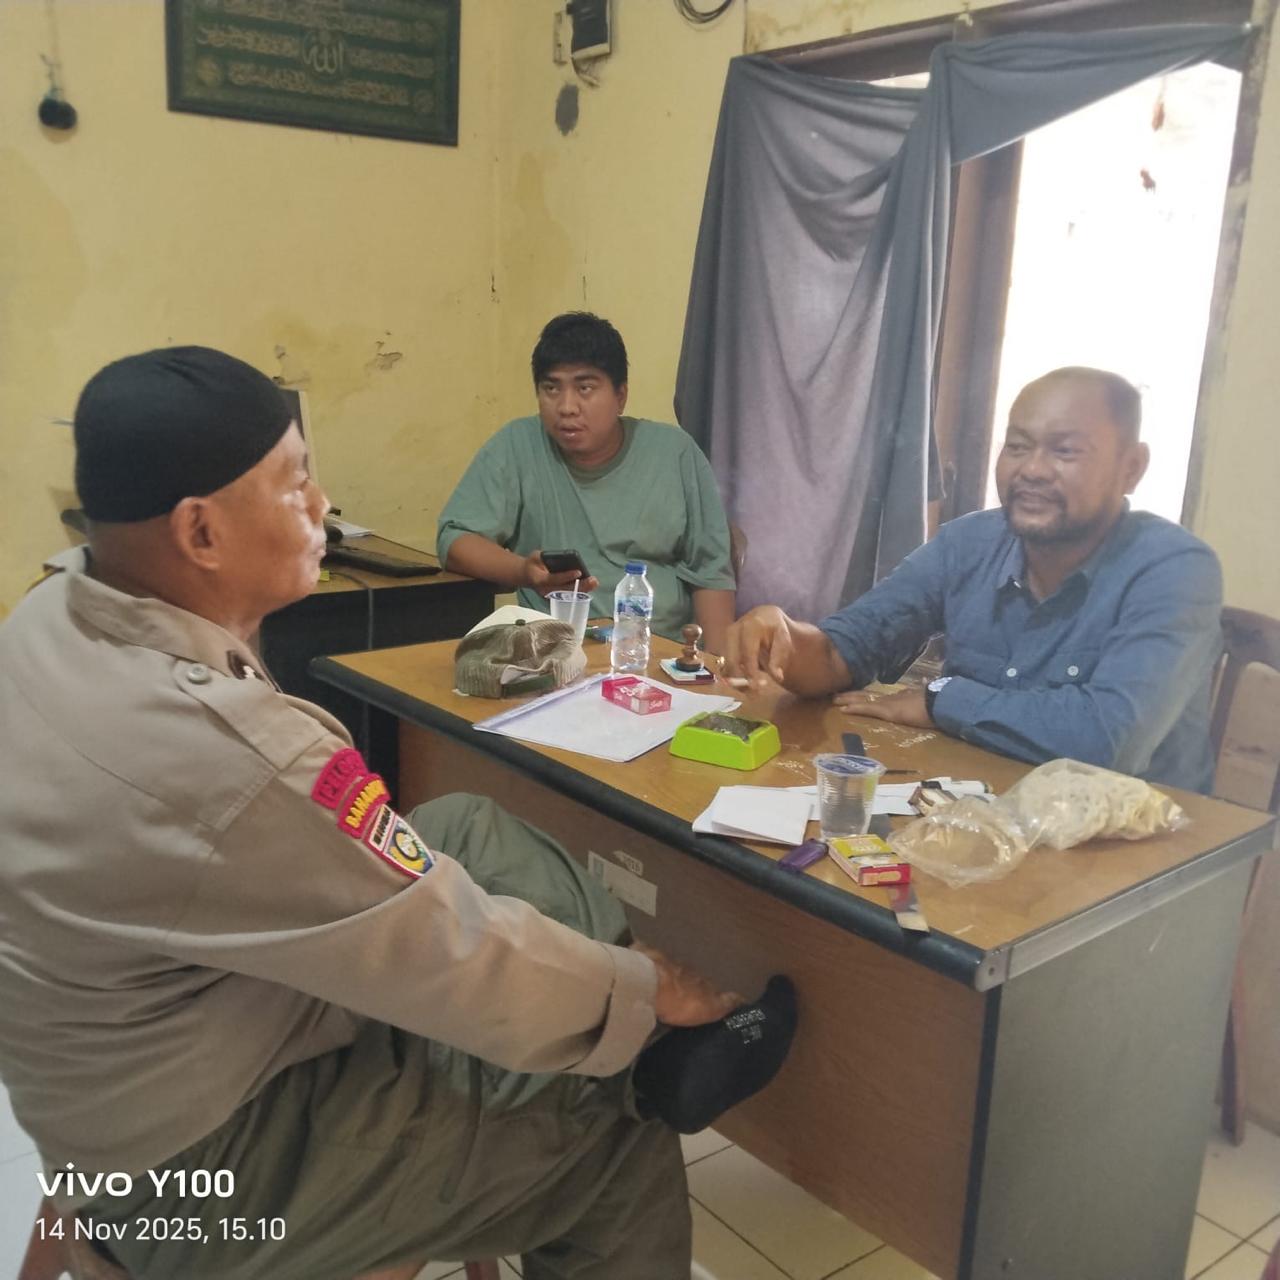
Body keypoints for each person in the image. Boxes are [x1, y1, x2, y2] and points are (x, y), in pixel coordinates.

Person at [0, 347, 795, 1280]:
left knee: (462, 821)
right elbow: (442, 947)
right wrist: (641, 985)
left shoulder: (50, 614)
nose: (323, 503)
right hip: (196, 1181)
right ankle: (646, 1059)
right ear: (200, 531)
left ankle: (631, 1040)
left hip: (117, 1088)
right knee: (610, 1134)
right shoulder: (228, 753)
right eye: (295, 481)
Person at [723, 367, 1223, 793]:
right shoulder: (968, 544)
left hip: (1136, 849)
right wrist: (783, 637)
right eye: (1017, 446)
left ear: (1131, 468)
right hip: (983, 812)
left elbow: (1106, 740)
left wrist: (940, 700)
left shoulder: (1175, 570)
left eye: (1065, 451)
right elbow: (842, 652)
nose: (1032, 470)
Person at [437, 312, 737, 652]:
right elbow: (455, 541)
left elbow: (711, 574)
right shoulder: (517, 445)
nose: (566, 407)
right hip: (555, 654)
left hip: (657, 653)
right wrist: (523, 571)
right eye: (551, 388)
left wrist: (716, 668)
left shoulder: (675, 454)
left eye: (585, 388)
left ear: (620, 396)